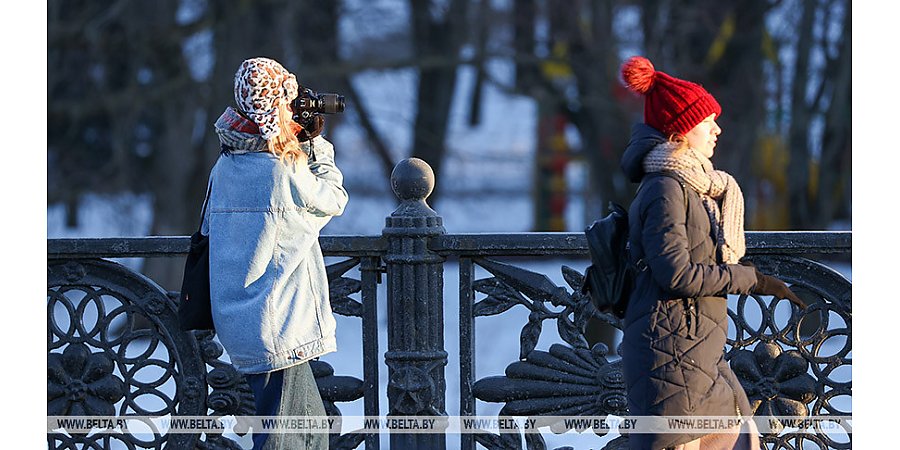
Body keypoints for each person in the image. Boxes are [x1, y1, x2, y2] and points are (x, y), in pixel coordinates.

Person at [617, 56, 804, 450]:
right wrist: (751, 279)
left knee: (745, 438)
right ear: (681, 131)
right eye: (707, 121)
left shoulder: (696, 187)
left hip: (696, 350)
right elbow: (676, 274)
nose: (717, 129)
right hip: (670, 354)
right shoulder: (666, 189)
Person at [202, 57, 349, 450]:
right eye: (288, 102)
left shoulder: (227, 165)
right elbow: (332, 199)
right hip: (278, 325)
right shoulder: (280, 170)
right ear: (275, 109)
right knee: (287, 441)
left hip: (244, 321)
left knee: (309, 436)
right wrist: (315, 144)